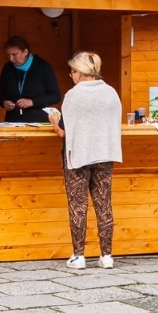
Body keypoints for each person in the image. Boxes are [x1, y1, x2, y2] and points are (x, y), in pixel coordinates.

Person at [50, 51, 122, 270]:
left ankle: (78, 256)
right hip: (105, 154)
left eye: (72, 71)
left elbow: (64, 132)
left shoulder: (73, 95)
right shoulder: (111, 93)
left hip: (79, 156)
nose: (71, 75)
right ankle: (107, 255)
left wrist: (54, 120)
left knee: (78, 206)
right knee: (104, 204)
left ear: (80, 72)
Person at [0, 35, 61, 123]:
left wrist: (32, 102)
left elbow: (55, 96)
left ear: (25, 52)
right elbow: (0, 95)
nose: (11, 59)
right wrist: (4, 102)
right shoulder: (8, 68)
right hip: (13, 121)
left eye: (14, 54)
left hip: (38, 120)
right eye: (8, 55)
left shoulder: (42, 67)